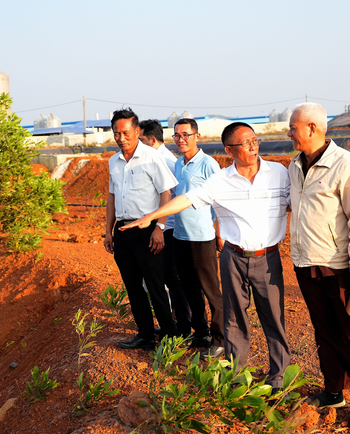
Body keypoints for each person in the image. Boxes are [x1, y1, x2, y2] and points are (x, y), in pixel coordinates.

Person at [120, 122, 291, 391]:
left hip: (267, 258)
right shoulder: (221, 180)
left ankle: (278, 378)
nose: (253, 146)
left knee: (273, 317)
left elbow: (297, 203)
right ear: (229, 149)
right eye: (245, 143)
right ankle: (236, 376)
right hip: (233, 257)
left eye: (254, 140)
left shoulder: (279, 173)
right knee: (234, 319)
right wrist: (152, 217)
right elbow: (187, 198)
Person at [286, 103, 350, 433]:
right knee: (325, 330)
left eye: (293, 128)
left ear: (313, 128)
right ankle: (333, 391)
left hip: (340, 266)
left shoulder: (344, 164)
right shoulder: (294, 165)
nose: (290, 133)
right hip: (306, 262)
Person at [104, 108, 178, 350]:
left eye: (126, 132)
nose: (121, 138)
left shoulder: (151, 157)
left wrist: (159, 227)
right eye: (117, 133)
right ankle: (145, 334)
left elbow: (165, 192)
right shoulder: (113, 162)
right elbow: (112, 197)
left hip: (147, 229)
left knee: (155, 284)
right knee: (133, 286)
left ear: (137, 131)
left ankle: (168, 336)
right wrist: (108, 231)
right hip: (123, 232)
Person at [171, 118, 225, 357]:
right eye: (177, 136)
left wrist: (219, 232)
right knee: (190, 287)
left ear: (197, 136)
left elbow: (221, 201)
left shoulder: (208, 164)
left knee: (210, 288)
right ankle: (201, 332)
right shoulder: (177, 165)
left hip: (203, 237)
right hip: (180, 236)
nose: (181, 140)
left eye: (185, 135)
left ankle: (220, 337)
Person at [138, 119, 191, 338]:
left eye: (141, 140)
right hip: (163, 226)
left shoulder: (164, 161)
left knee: (171, 278)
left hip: (168, 228)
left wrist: (161, 226)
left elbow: (175, 196)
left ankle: (182, 325)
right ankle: (176, 322)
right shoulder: (159, 158)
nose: (138, 144)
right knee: (165, 278)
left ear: (151, 140)